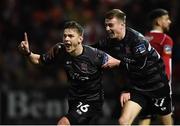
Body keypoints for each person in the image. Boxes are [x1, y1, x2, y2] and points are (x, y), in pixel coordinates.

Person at [18, 21, 120, 125]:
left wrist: (127, 89)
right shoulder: (59, 50)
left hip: (92, 101)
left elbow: (119, 64)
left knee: (63, 123)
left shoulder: (94, 55)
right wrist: (28, 53)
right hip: (74, 100)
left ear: (80, 39)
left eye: (70, 36)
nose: (66, 39)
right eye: (65, 36)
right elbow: (39, 60)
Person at [93, 9, 173, 125]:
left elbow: (141, 66)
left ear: (122, 25)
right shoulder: (110, 41)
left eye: (110, 25)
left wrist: (118, 63)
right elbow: (94, 48)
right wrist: (74, 47)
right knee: (123, 121)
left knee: (166, 123)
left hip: (157, 87)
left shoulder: (137, 40)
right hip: (138, 89)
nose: (107, 29)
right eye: (106, 25)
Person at [120, 8, 174, 125]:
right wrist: (167, 84)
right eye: (166, 19)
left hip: (142, 87)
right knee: (167, 122)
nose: (169, 21)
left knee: (144, 120)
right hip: (159, 86)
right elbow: (166, 62)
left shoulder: (141, 38)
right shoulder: (166, 39)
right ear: (158, 22)